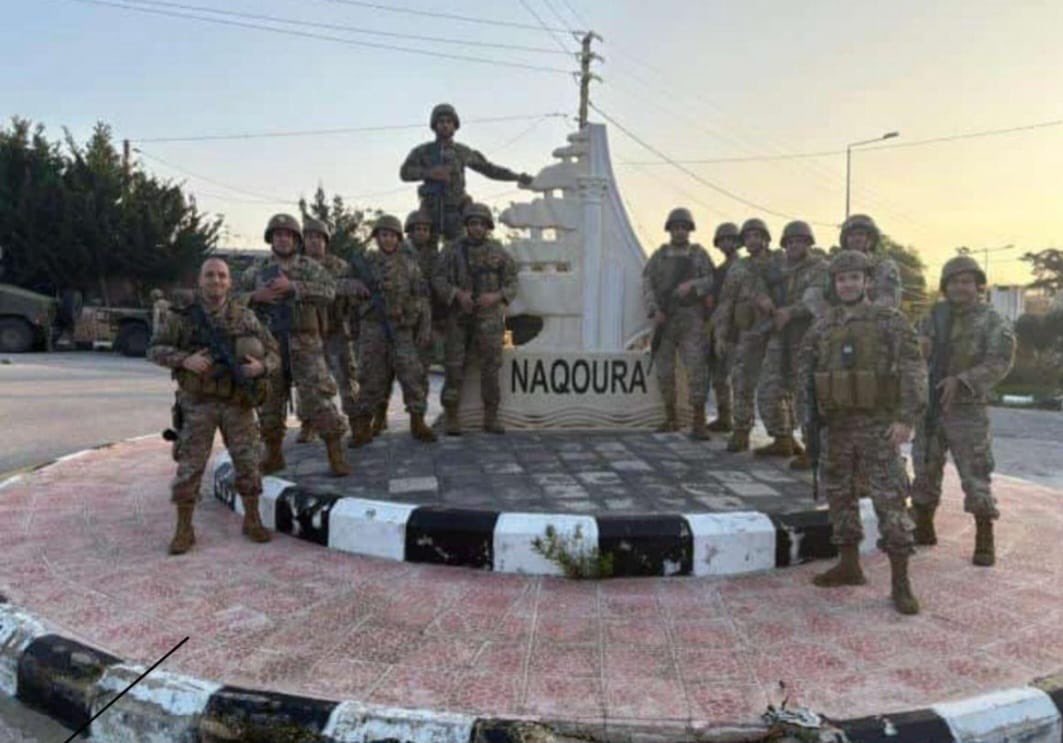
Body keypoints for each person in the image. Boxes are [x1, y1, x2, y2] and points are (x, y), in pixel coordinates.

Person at [798, 250, 927, 615]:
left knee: (890, 499)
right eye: (841, 279)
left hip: (878, 426)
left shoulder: (891, 320)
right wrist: (808, 425)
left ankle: (900, 581)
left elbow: (914, 369)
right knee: (839, 495)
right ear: (833, 285)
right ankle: (849, 564)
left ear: (868, 281)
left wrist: (906, 419)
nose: (848, 284)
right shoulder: (823, 325)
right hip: (836, 426)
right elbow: (805, 375)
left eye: (855, 277)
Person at [148, 257, 279, 554]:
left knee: (248, 462)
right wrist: (185, 360)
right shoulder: (183, 316)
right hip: (198, 403)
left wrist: (262, 367)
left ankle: (252, 519)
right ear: (200, 280)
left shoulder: (245, 317)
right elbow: (154, 348)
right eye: (210, 275)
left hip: (238, 403)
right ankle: (184, 529)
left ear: (229, 282)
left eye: (222, 276)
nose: (216, 281)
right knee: (190, 467)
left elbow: (274, 352)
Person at [910, 255, 1015, 566]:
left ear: (978, 286)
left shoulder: (991, 320)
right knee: (925, 467)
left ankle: (984, 537)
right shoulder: (933, 317)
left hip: (967, 410)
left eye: (967, 282)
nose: (960, 287)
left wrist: (963, 380)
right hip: (930, 405)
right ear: (945, 286)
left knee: (975, 474)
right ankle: (924, 525)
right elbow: (911, 354)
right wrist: (919, 349)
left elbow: (1000, 362)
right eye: (954, 282)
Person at [238, 213, 351, 476]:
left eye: (288, 235)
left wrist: (295, 288)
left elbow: (330, 292)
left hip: (305, 343)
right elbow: (232, 299)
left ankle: (335, 455)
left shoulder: (308, 267)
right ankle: (274, 455)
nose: (283, 239)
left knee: (319, 400)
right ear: (271, 239)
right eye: (278, 234)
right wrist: (256, 296)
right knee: (268, 402)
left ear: (295, 239)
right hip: (269, 345)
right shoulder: (257, 270)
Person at [348, 214, 437, 446]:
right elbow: (339, 285)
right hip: (373, 328)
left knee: (412, 375)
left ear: (398, 238)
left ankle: (417, 421)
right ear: (376, 238)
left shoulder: (409, 265)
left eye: (391, 235)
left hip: (401, 329)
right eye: (383, 235)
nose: (387, 240)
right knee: (370, 377)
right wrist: (353, 285)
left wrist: (418, 322)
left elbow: (422, 297)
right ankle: (364, 425)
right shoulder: (365, 262)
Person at [432, 202, 518, 434]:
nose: (477, 228)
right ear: (466, 226)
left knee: (490, 368)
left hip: (489, 320)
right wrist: (457, 294)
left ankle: (491, 416)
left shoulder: (498, 252)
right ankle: (452, 416)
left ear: (488, 226)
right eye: (472, 223)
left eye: (481, 224)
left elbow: (512, 281)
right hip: (459, 319)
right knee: (454, 367)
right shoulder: (451, 251)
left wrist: (496, 296)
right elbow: (437, 279)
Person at [400, 103, 533, 242]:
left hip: (456, 211)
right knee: (425, 253)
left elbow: (489, 169)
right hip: (430, 210)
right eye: (441, 122)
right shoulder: (423, 151)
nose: (445, 125)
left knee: (459, 252)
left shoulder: (462, 151)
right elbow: (404, 173)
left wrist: (517, 177)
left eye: (449, 122)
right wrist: (429, 173)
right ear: (435, 125)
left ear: (454, 126)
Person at [753, 220, 828, 465]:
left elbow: (814, 299)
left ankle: (812, 448)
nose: (795, 245)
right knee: (768, 388)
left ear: (809, 244)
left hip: (806, 337)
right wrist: (761, 295)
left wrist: (790, 312)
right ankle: (782, 438)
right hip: (778, 334)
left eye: (800, 241)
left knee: (805, 395)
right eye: (791, 242)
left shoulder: (819, 268)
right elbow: (755, 281)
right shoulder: (775, 267)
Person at [642, 207, 715, 439]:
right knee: (664, 369)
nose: (680, 231)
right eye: (676, 228)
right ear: (669, 230)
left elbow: (712, 280)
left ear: (690, 230)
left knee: (696, 368)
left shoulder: (699, 254)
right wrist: (654, 310)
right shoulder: (660, 255)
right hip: (666, 318)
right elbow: (647, 282)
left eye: (684, 227)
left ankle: (698, 420)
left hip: (691, 317)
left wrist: (692, 286)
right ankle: (670, 417)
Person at [714, 218, 779, 452]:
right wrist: (720, 334)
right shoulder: (738, 268)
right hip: (747, 333)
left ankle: (783, 436)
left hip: (773, 332)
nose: (752, 240)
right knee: (741, 382)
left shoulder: (777, 263)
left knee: (775, 386)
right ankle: (741, 429)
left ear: (765, 238)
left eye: (757, 236)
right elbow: (726, 303)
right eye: (748, 236)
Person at [296, 216, 360, 444]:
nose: (314, 242)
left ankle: (356, 421)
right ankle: (308, 423)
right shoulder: (297, 266)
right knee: (308, 381)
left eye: (319, 238)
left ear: (326, 241)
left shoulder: (340, 266)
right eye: (310, 237)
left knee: (347, 377)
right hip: (308, 332)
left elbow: (353, 295)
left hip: (336, 330)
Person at [706, 222, 742, 432]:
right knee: (719, 376)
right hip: (719, 327)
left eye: (731, 239)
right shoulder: (719, 271)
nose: (727, 243)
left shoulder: (743, 266)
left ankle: (739, 422)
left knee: (737, 378)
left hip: (737, 328)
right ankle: (724, 417)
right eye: (723, 240)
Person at [838, 214, 901, 308]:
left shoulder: (884, 267)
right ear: (845, 240)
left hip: (874, 319)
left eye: (861, 234)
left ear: (871, 239)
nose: (856, 239)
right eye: (851, 235)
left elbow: (888, 300)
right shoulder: (837, 267)